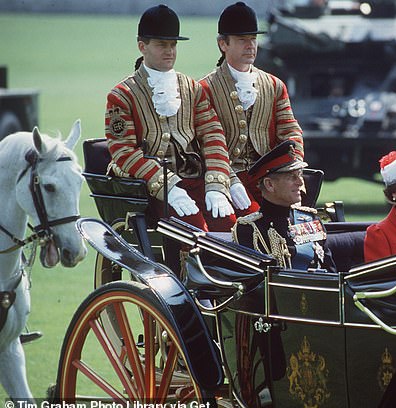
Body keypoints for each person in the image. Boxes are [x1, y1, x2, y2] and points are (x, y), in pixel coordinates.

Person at [105, 4, 235, 232]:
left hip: (195, 180)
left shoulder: (193, 88)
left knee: (230, 225)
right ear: (142, 46)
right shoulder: (122, 95)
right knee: (194, 230)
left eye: (173, 45)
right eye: (161, 45)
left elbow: (213, 135)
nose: (170, 51)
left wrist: (216, 184)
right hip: (148, 188)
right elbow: (123, 152)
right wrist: (168, 188)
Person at [199, 1, 304, 221]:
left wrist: (290, 173)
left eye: (253, 39)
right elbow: (202, 145)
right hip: (223, 180)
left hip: (268, 181)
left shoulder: (274, 86)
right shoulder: (204, 89)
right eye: (242, 40)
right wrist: (226, 179)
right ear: (223, 44)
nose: (250, 46)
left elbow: (291, 134)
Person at [232, 141, 335, 272]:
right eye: (292, 177)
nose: (300, 182)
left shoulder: (311, 219)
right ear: (269, 184)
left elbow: (332, 274)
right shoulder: (249, 229)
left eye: (300, 174)